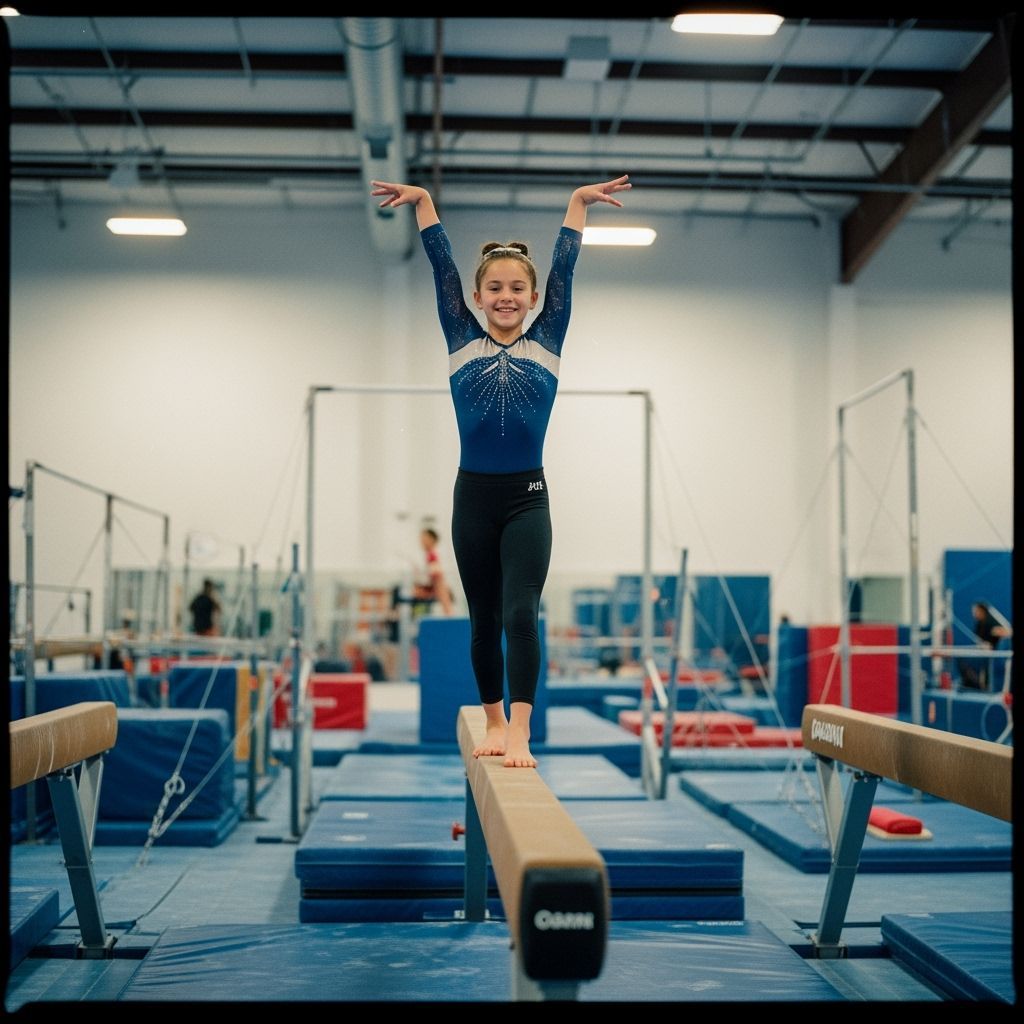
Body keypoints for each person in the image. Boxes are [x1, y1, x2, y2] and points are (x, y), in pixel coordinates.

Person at [370, 173, 631, 767]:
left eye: (518, 288)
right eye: (494, 288)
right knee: (483, 616)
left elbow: (564, 271)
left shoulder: (548, 340)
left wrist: (576, 207)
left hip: (527, 498)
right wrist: (426, 206)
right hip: (473, 499)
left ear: (534, 299)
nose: (506, 296)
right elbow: (441, 273)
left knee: (520, 612)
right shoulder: (460, 338)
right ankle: (491, 718)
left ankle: (519, 728)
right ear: (480, 297)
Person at [958, 600, 1011, 691]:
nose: (974, 613)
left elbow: (1007, 632)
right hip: (984, 654)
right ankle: (973, 684)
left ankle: (987, 686)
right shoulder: (979, 624)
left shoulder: (991, 621)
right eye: (973, 611)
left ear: (982, 610)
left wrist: (997, 634)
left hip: (994, 654)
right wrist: (982, 645)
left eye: (976, 611)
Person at [411, 526, 455, 616]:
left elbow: (436, 572)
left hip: (437, 586)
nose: (421, 541)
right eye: (421, 538)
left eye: (424, 538)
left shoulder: (433, 554)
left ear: (431, 540)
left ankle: (449, 613)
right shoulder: (429, 555)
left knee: (440, 585)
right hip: (434, 586)